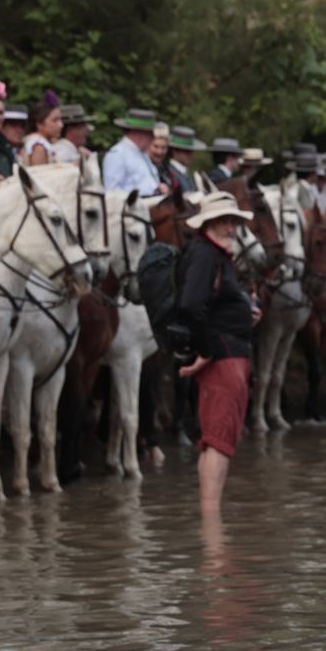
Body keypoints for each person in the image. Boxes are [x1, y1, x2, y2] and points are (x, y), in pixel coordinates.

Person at [176, 191, 261, 513]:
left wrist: (246, 309)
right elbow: (191, 304)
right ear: (207, 224)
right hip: (223, 356)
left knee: (222, 437)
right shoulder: (204, 254)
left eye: (233, 221)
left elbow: (212, 302)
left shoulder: (217, 255)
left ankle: (213, 520)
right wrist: (206, 350)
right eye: (223, 221)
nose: (230, 228)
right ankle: (212, 527)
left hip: (232, 352)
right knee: (218, 438)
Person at [102, 108, 165, 195]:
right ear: (138, 133)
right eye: (150, 133)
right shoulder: (118, 154)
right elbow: (112, 192)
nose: (152, 138)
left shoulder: (143, 155)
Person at [24, 97, 63, 166]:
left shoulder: (43, 143)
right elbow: (39, 175)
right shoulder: (38, 147)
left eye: (60, 120)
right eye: (55, 120)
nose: (61, 125)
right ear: (40, 124)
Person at [165, 125, 203, 193]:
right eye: (187, 151)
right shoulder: (167, 172)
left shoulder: (187, 174)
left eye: (192, 151)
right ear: (174, 151)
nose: (191, 155)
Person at [0, 103, 29, 177]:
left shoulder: (22, 150)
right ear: (1, 126)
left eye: (23, 126)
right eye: (13, 125)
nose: (19, 130)